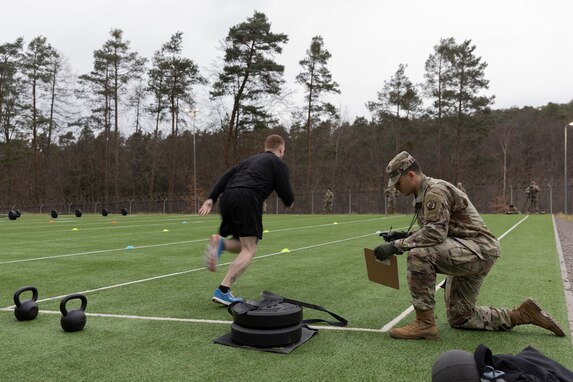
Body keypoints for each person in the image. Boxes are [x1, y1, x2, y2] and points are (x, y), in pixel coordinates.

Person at [373, 151, 565, 340]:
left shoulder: (434, 192)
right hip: (471, 249)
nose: (396, 188)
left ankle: (425, 324)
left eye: (398, 182)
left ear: (411, 175)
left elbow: (436, 233)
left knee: (419, 254)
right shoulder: (426, 192)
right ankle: (522, 315)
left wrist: (397, 245)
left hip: (477, 250)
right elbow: (442, 229)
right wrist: (404, 236)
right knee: (460, 317)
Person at [198, 134, 295, 306]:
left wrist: (211, 198)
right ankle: (223, 290)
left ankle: (221, 244)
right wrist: (290, 200)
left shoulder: (248, 161)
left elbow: (225, 177)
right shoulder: (278, 163)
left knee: (241, 244)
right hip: (248, 197)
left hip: (227, 197)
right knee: (250, 249)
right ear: (281, 150)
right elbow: (286, 195)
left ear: (266, 148)